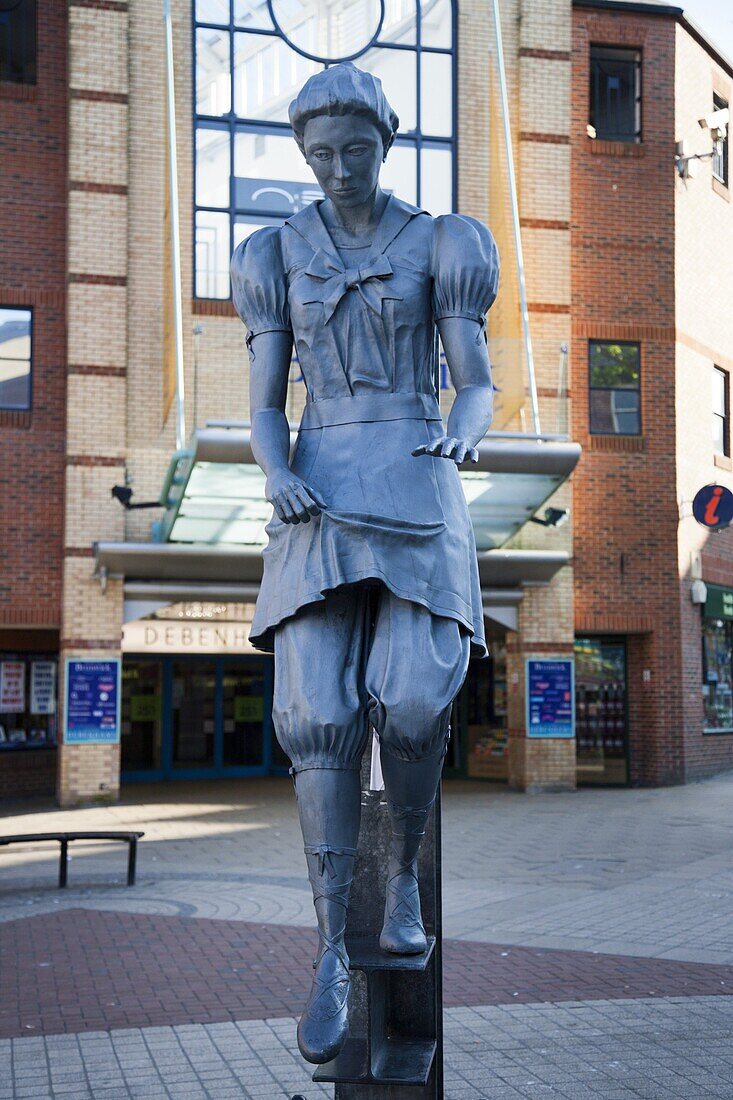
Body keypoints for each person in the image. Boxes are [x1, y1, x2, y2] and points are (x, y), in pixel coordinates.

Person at [231, 62, 498, 1065]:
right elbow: (264, 401)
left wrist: (468, 431)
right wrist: (273, 471)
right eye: (318, 155)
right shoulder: (272, 252)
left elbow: (473, 378)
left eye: (354, 150)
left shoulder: (442, 240)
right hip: (321, 485)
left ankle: (399, 893)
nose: (336, 170)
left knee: (415, 694)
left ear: (386, 142)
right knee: (320, 714)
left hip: (416, 474)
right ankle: (328, 949)